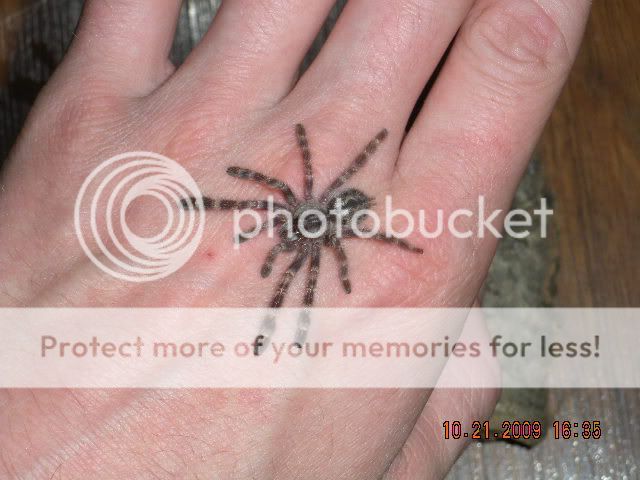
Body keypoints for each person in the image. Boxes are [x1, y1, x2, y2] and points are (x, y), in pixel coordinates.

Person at [0, 0, 590, 477]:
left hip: (333, 215)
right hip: (322, 208)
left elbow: (319, 229)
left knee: (295, 269)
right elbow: (292, 174)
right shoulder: (296, 204)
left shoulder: (319, 235)